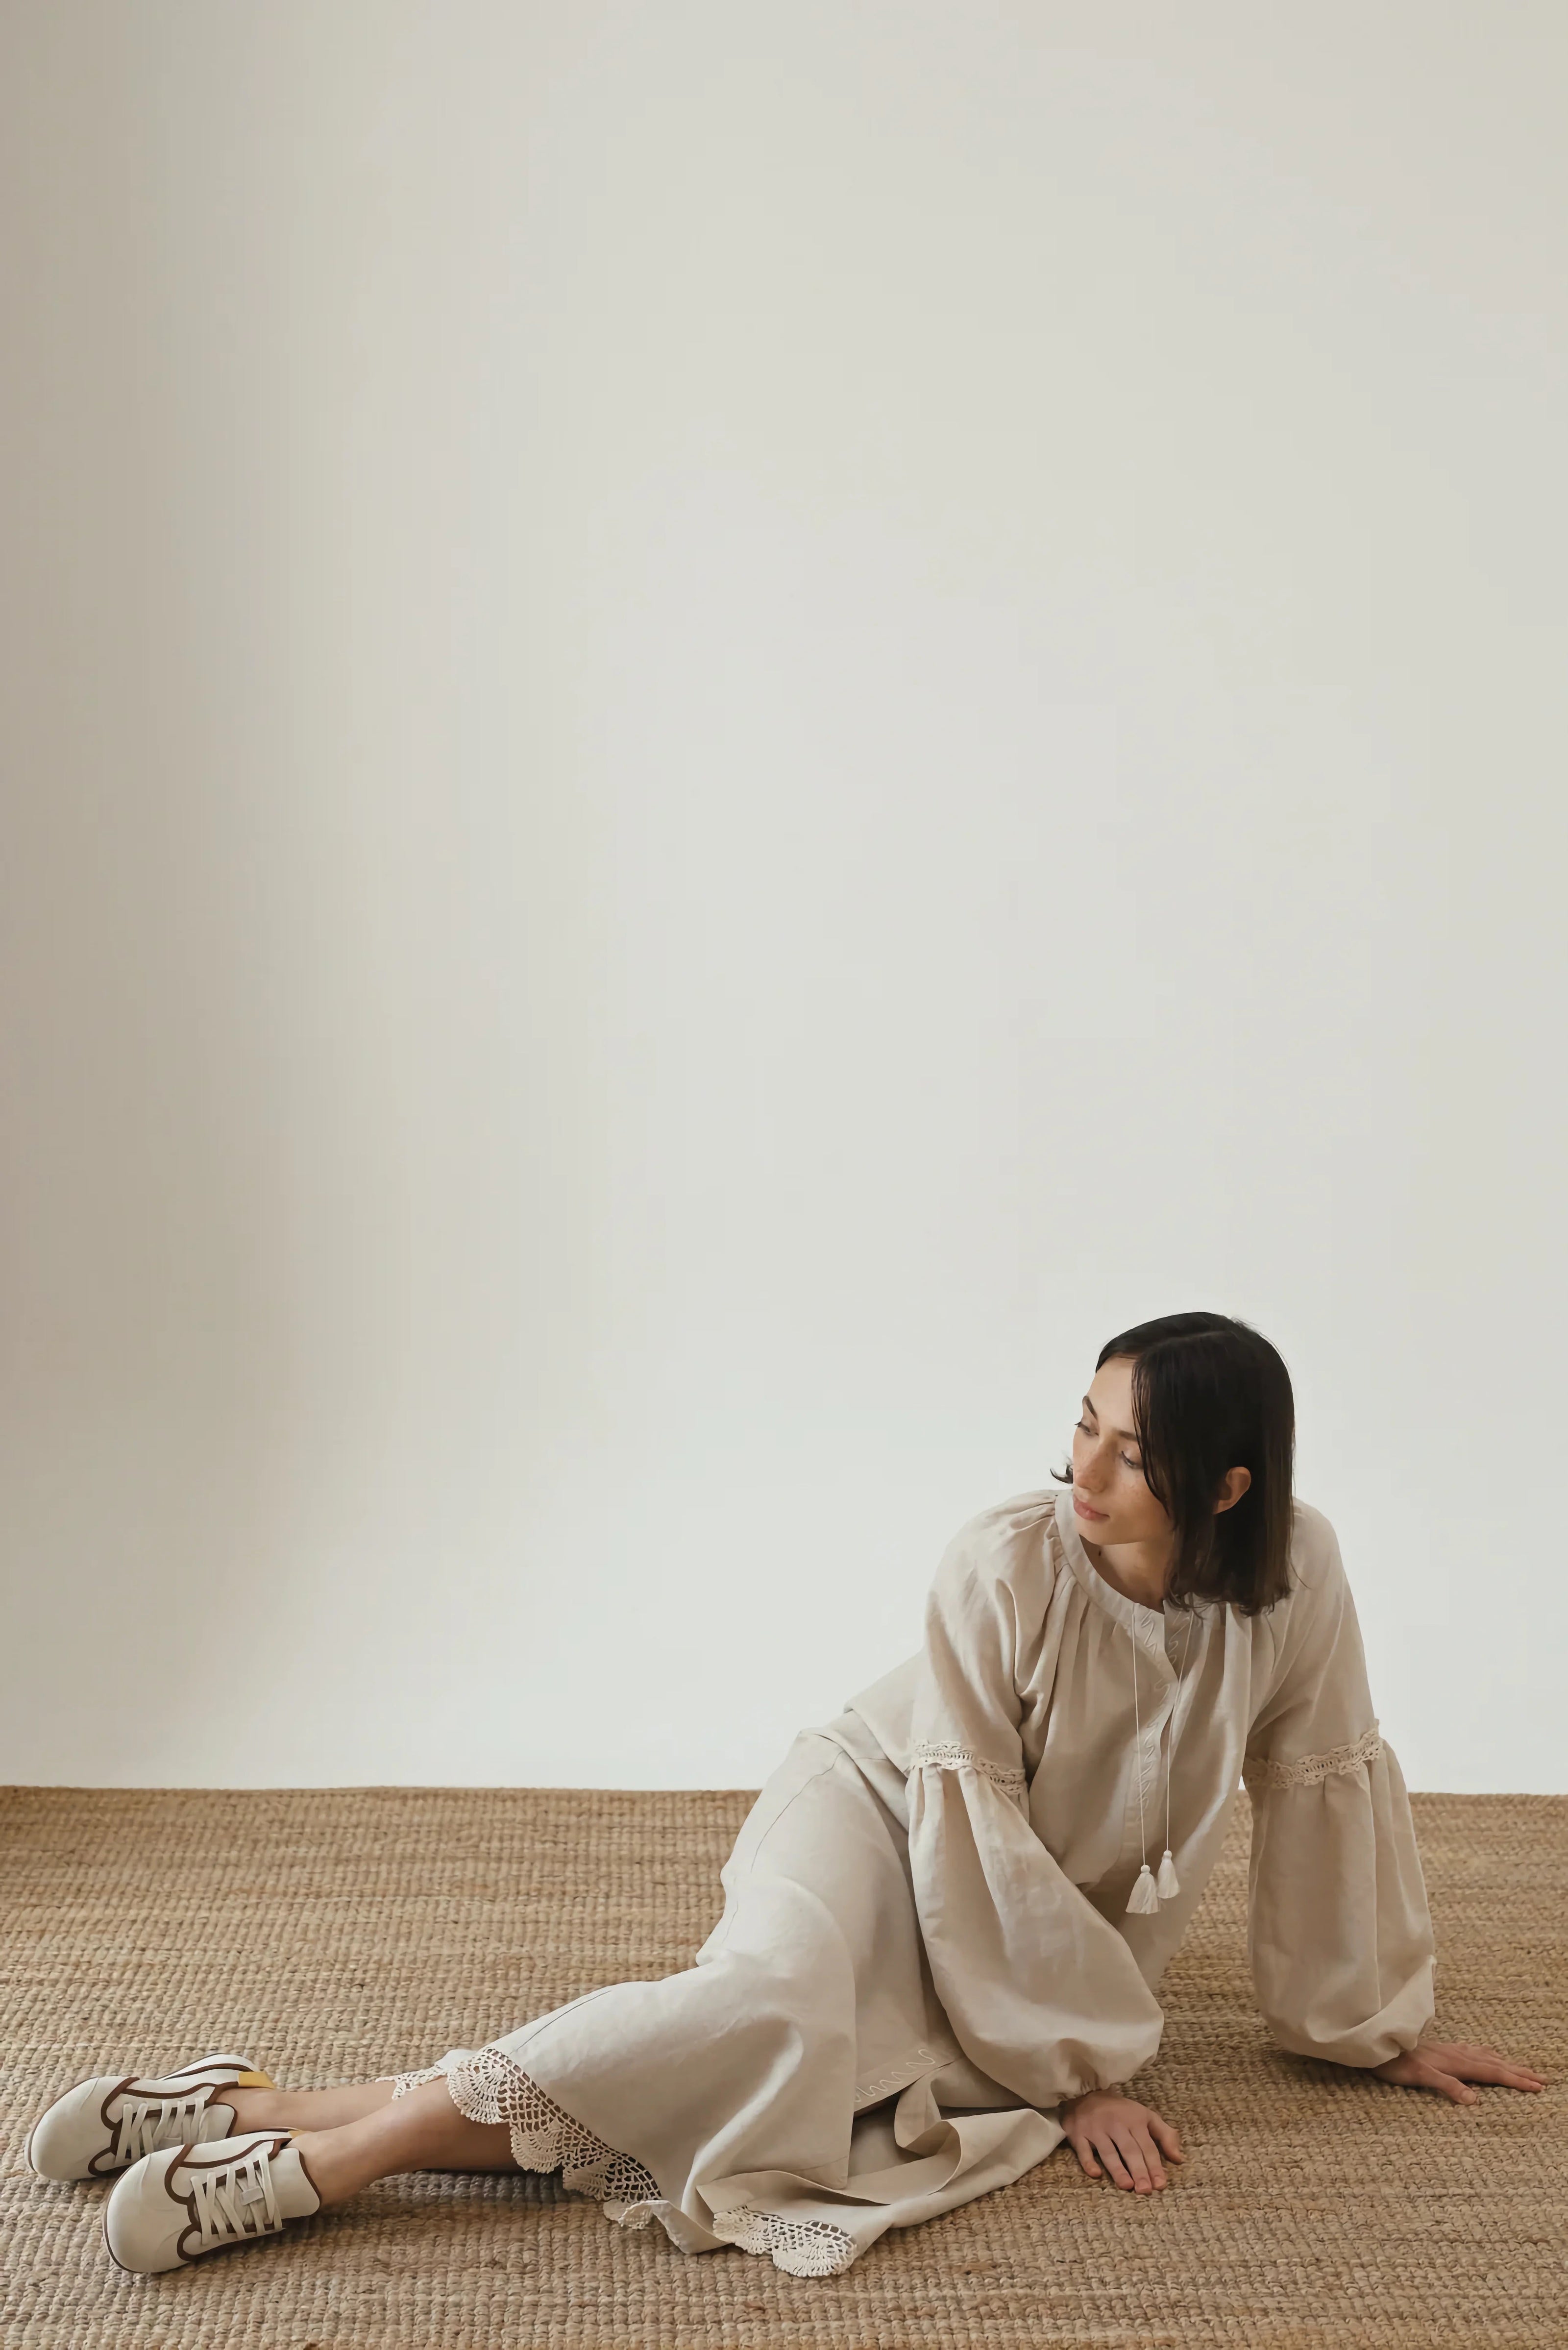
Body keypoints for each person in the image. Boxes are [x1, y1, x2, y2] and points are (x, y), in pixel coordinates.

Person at [28, 1312, 1544, 2278]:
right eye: (1082, 1418)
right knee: (769, 2016)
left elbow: (1320, 1774)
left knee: (805, 2098)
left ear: (1227, 1487)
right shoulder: (1000, 1559)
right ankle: (320, 2166)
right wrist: (1075, 2065)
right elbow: (967, 1811)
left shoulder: (1303, 1571)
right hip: (882, 1808)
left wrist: (1372, 2025)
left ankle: (252, 2103)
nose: (1082, 1464)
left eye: (1132, 1451)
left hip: (1034, 1918)